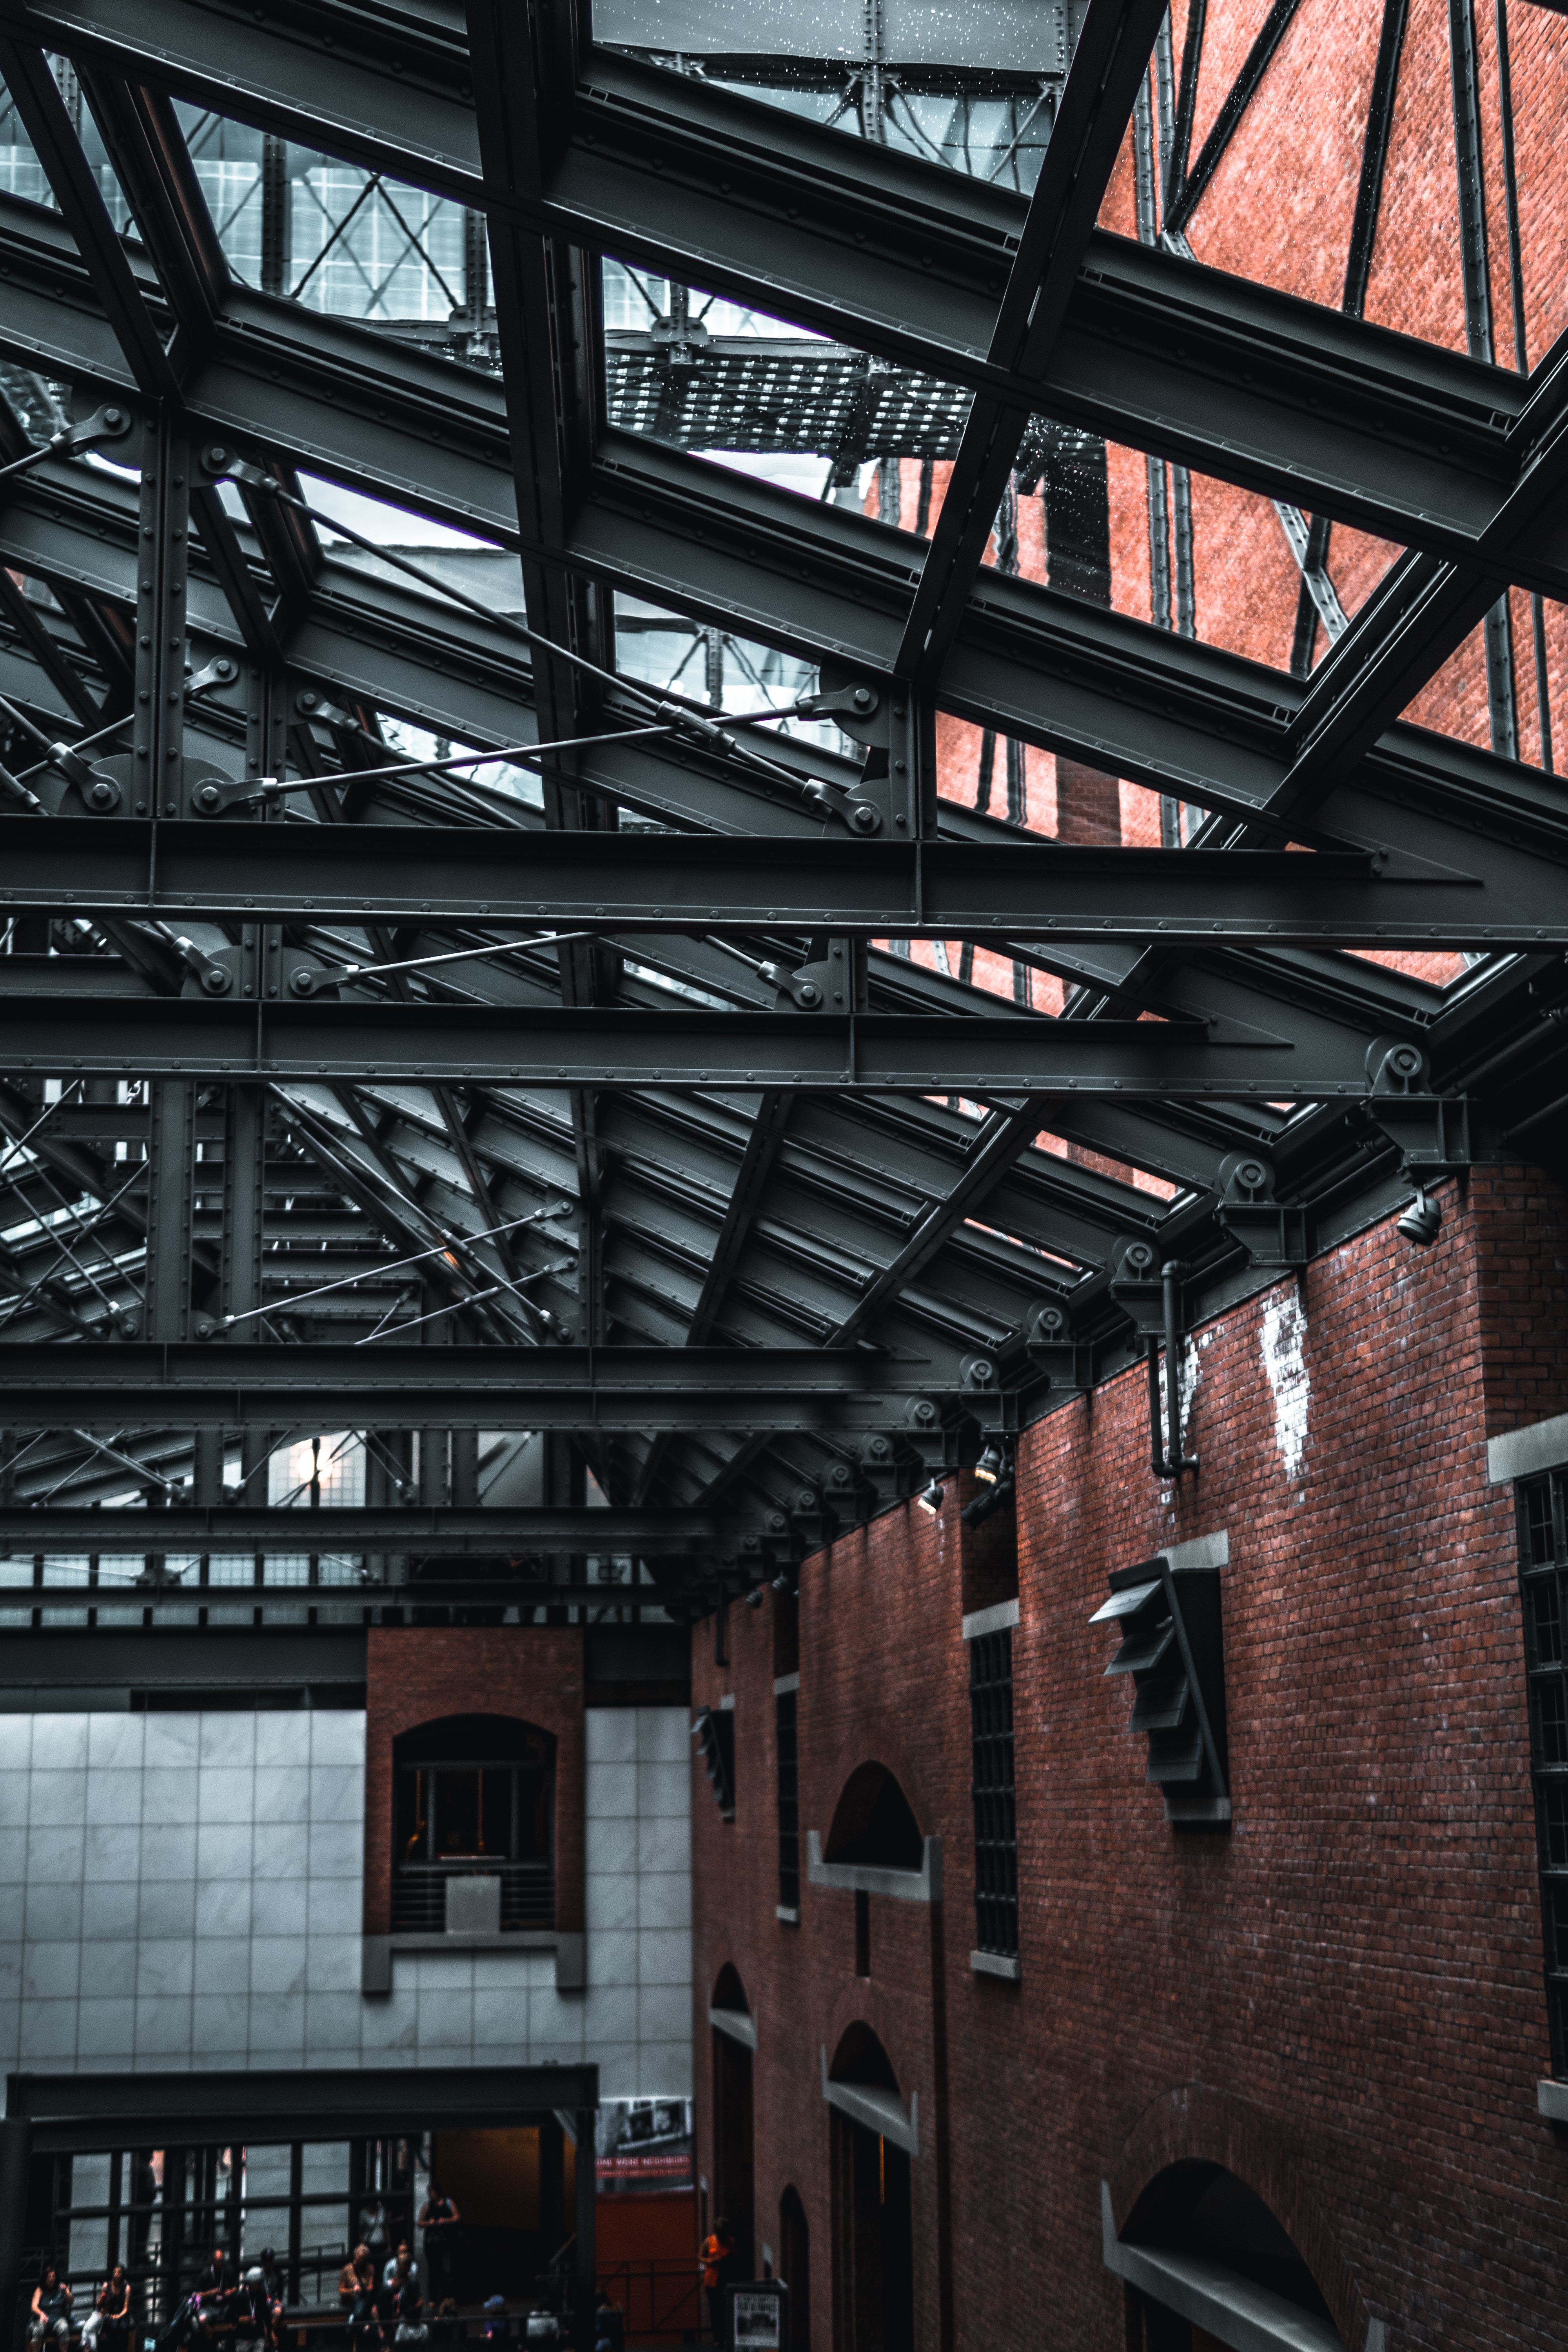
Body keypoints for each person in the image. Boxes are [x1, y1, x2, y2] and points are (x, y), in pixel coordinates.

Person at [416, 2187, 459, 2308]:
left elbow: (457, 2217)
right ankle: (433, 2299)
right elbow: (420, 2222)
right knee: (434, 2271)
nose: (431, 2195)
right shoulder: (428, 2206)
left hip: (446, 2243)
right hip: (432, 2244)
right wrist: (429, 2223)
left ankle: (450, 2298)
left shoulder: (448, 2203)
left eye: (433, 2193)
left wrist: (445, 2220)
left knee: (448, 2271)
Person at [699, 2220, 736, 2346]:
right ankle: (718, 2338)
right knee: (715, 2310)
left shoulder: (731, 2242)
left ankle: (725, 2336)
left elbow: (734, 2258)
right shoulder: (709, 2242)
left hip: (726, 2279)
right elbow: (700, 2257)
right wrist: (709, 2262)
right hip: (712, 2281)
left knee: (725, 2308)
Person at [83, 2267, 130, 2352]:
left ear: (122, 2275)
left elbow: (126, 2308)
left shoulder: (126, 2288)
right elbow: (98, 2305)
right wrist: (102, 2298)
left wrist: (119, 2316)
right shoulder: (107, 2286)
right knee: (113, 2327)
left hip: (122, 2314)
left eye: (119, 2272)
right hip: (109, 2313)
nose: (116, 2274)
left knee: (124, 2328)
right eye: (115, 2272)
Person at [29, 2264, 72, 2346]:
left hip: (58, 2318)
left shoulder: (61, 2287)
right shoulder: (40, 2289)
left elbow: (71, 2301)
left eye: (53, 2276)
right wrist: (41, 2314)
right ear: (45, 2279)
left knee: (64, 2328)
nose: (51, 2279)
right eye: (49, 2277)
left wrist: (66, 2292)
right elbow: (34, 2306)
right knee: (38, 2330)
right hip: (43, 2319)